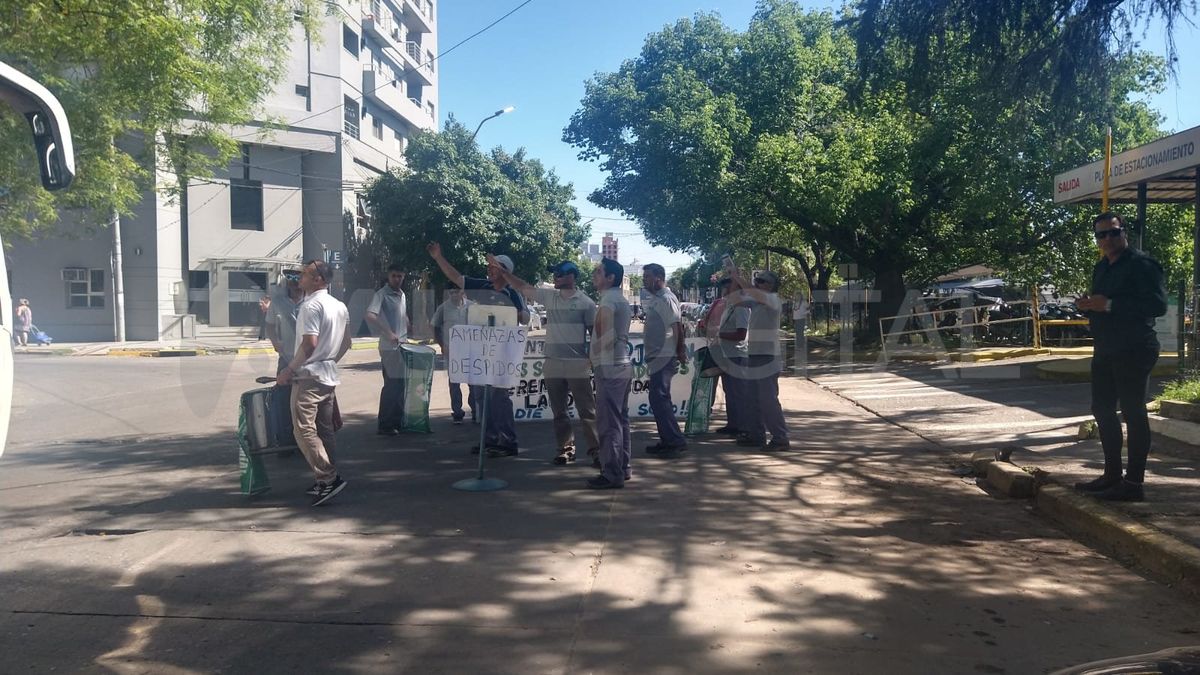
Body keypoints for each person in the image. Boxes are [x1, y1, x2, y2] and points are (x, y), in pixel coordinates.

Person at [1073, 212, 1166, 502]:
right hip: (1106, 348)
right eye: (1101, 235)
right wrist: (1088, 306)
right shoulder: (1101, 268)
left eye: (1113, 232)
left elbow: (1157, 305)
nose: (1108, 239)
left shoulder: (1143, 264)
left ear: (1123, 232)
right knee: (1101, 409)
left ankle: (1133, 483)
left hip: (1135, 348)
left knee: (1132, 411)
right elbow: (1101, 305)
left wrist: (1110, 304)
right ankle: (1112, 474)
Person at [491, 257, 599, 466]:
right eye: (555, 274)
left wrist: (593, 360)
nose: (555, 277)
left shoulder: (586, 303)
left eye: (560, 273)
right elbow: (523, 287)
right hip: (552, 363)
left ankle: (597, 451)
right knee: (559, 412)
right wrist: (504, 273)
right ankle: (565, 449)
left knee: (587, 411)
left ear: (572, 276)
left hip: (577, 364)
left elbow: (594, 334)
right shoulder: (550, 297)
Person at [427, 242, 529, 457]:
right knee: (482, 397)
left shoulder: (513, 293)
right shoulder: (482, 287)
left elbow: (524, 317)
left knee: (499, 398)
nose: (488, 270)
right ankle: (489, 439)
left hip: (502, 356)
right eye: (489, 267)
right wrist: (439, 257)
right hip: (482, 355)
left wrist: (510, 316)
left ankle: (508, 441)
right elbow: (457, 277)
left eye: (493, 267)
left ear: (504, 271)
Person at [278, 260, 352, 506]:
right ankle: (326, 479)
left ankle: (328, 478)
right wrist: (328, 360)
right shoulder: (339, 305)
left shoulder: (311, 306)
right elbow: (346, 343)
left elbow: (309, 344)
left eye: (305, 274)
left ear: (318, 279)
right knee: (324, 429)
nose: (300, 278)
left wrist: (290, 369)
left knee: (303, 430)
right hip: (327, 374)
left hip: (309, 376)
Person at [728, 266, 789, 450]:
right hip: (754, 353)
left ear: (771, 286)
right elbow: (733, 300)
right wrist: (733, 279)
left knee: (768, 399)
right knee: (752, 398)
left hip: (768, 356)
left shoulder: (773, 300)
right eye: (757, 280)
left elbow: (752, 292)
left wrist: (738, 277)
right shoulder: (756, 302)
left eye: (761, 281)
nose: (757, 283)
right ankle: (757, 435)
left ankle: (780, 437)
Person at [588, 257, 633, 489]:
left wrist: (591, 358)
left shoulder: (608, 301)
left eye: (599, 272)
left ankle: (612, 473)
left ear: (610, 278)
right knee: (620, 421)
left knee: (608, 424)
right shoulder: (617, 299)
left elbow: (604, 338)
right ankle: (622, 468)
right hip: (620, 366)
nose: (594, 275)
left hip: (610, 368)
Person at [641, 263, 690, 459]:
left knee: (659, 398)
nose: (644, 280)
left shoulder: (667, 299)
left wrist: (679, 351)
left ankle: (675, 441)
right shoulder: (657, 299)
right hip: (657, 356)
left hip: (664, 356)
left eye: (647, 277)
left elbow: (677, 327)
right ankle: (667, 439)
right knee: (659, 400)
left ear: (659, 278)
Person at [365, 264, 409, 435]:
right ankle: (385, 424)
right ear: (388, 277)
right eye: (394, 276)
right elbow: (370, 315)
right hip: (389, 347)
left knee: (401, 385)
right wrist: (389, 332)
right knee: (392, 385)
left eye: (400, 276)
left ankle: (397, 421)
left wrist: (407, 321)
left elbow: (401, 313)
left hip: (403, 345)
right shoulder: (382, 294)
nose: (397, 279)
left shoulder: (402, 294)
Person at [265, 268, 304, 445]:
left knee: (305, 402)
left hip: (308, 361)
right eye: (290, 276)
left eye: (298, 276)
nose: (294, 280)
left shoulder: (311, 301)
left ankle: (304, 441)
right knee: (284, 399)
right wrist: (274, 342)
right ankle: (287, 440)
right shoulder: (277, 302)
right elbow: (270, 326)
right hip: (286, 358)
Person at [714, 276, 752, 444]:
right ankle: (733, 424)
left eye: (727, 289)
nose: (724, 293)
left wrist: (719, 334)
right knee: (729, 392)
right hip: (727, 354)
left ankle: (743, 427)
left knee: (739, 394)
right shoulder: (730, 306)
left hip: (737, 355)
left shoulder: (741, 307)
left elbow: (741, 334)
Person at [430, 287, 476, 424]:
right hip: (452, 351)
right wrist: (442, 346)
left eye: (457, 291)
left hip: (470, 350)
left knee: (473, 382)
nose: (454, 295)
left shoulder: (472, 307)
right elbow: (434, 326)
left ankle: (475, 410)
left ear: (463, 292)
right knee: (454, 382)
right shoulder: (443, 308)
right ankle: (457, 412)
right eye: (451, 292)